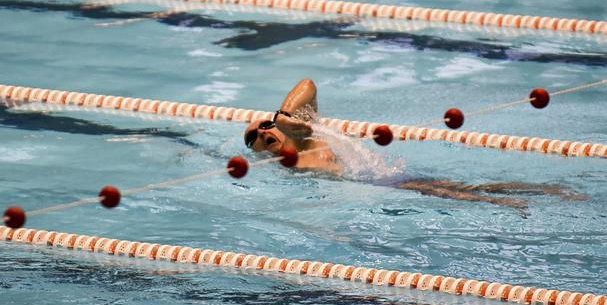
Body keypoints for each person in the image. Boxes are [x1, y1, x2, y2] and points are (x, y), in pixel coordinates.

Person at [243, 79, 585, 213]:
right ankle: (521, 198)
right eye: (252, 137)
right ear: (255, 152)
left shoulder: (304, 133)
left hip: (387, 178)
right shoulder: (281, 167)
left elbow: (307, 84)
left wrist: (284, 115)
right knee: (458, 189)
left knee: (461, 189)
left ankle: (530, 195)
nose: (260, 132)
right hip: (382, 186)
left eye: (262, 124)